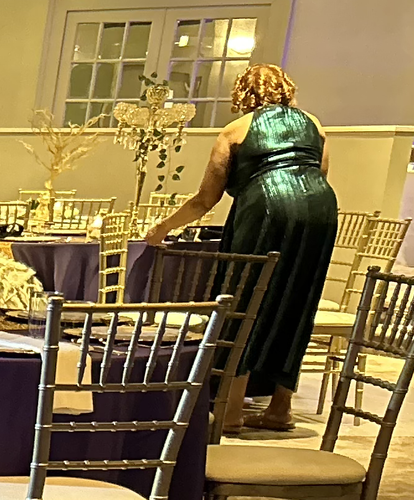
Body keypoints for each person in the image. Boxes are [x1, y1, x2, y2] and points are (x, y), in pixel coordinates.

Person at [143, 63, 338, 433]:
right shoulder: (315, 124)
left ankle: (230, 410)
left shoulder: (236, 130)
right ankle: (280, 408)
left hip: (265, 208)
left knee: (243, 298)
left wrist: (163, 227)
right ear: (286, 88)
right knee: (299, 298)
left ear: (243, 94)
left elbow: (205, 199)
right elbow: (319, 174)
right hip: (320, 209)